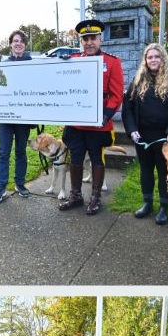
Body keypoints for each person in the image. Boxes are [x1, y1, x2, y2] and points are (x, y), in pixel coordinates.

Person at [122, 43, 168, 225]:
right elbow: (128, 106)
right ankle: (147, 203)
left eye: (157, 56)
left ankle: (164, 206)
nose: (153, 60)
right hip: (143, 136)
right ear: (145, 60)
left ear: (163, 58)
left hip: (166, 137)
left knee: (165, 172)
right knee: (146, 170)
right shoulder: (139, 79)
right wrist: (132, 129)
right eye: (150, 57)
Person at [58, 19, 124, 216]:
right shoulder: (73, 60)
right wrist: (60, 65)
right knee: (75, 158)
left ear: (100, 39)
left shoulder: (112, 62)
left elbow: (117, 94)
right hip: (76, 123)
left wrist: (106, 115)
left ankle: (95, 197)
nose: (89, 42)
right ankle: (76, 195)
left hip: (98, 123)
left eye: (93, 38)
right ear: (81, 41)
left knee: (96, 158)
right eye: (85, 39)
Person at [0, 29, 34, 203]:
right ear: (10, 44)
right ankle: (0, 187)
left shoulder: (32, 64)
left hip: (23, 118)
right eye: (15, 41)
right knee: (3, 153)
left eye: (21, 41)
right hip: (6, 118)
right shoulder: (3, 65)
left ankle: (20, 184)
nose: (18, 44)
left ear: (25, 45)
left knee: (21, 152)